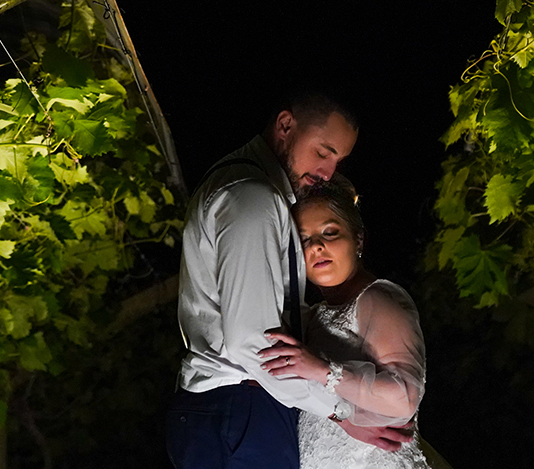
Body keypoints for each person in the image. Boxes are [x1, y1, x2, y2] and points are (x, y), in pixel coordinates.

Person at [166, 93, 413, 469]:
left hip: (238, 410)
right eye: (323, 152)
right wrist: (340, 412)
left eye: (338, 161)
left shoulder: (246, 186)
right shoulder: (251, 196)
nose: (327, 172)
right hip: (240, 408)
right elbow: (253, 342)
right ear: (285, 125)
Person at [259, 175, 433, 469]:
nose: (316, 246)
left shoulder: (379, 298)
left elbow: (404, 398)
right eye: (303, 239)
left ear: (358, 239)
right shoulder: (313, 316)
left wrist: (322, 370)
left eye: (329, 233)